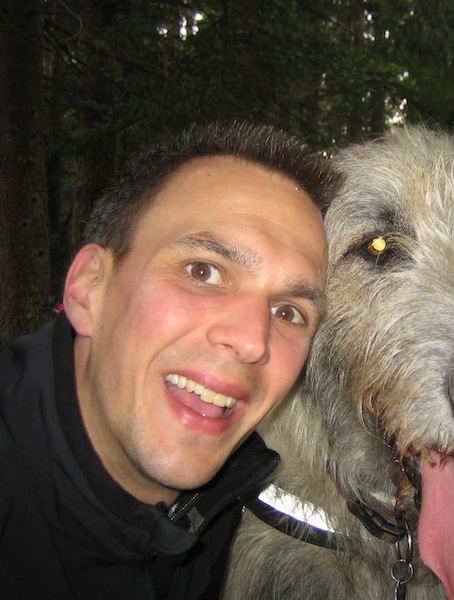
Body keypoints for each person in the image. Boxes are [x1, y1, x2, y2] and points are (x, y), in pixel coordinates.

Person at [0, 122, 340, 599]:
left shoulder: (226, 506)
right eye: (203, 271)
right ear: (88, 288)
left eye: (288, 312)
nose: (252, 341)